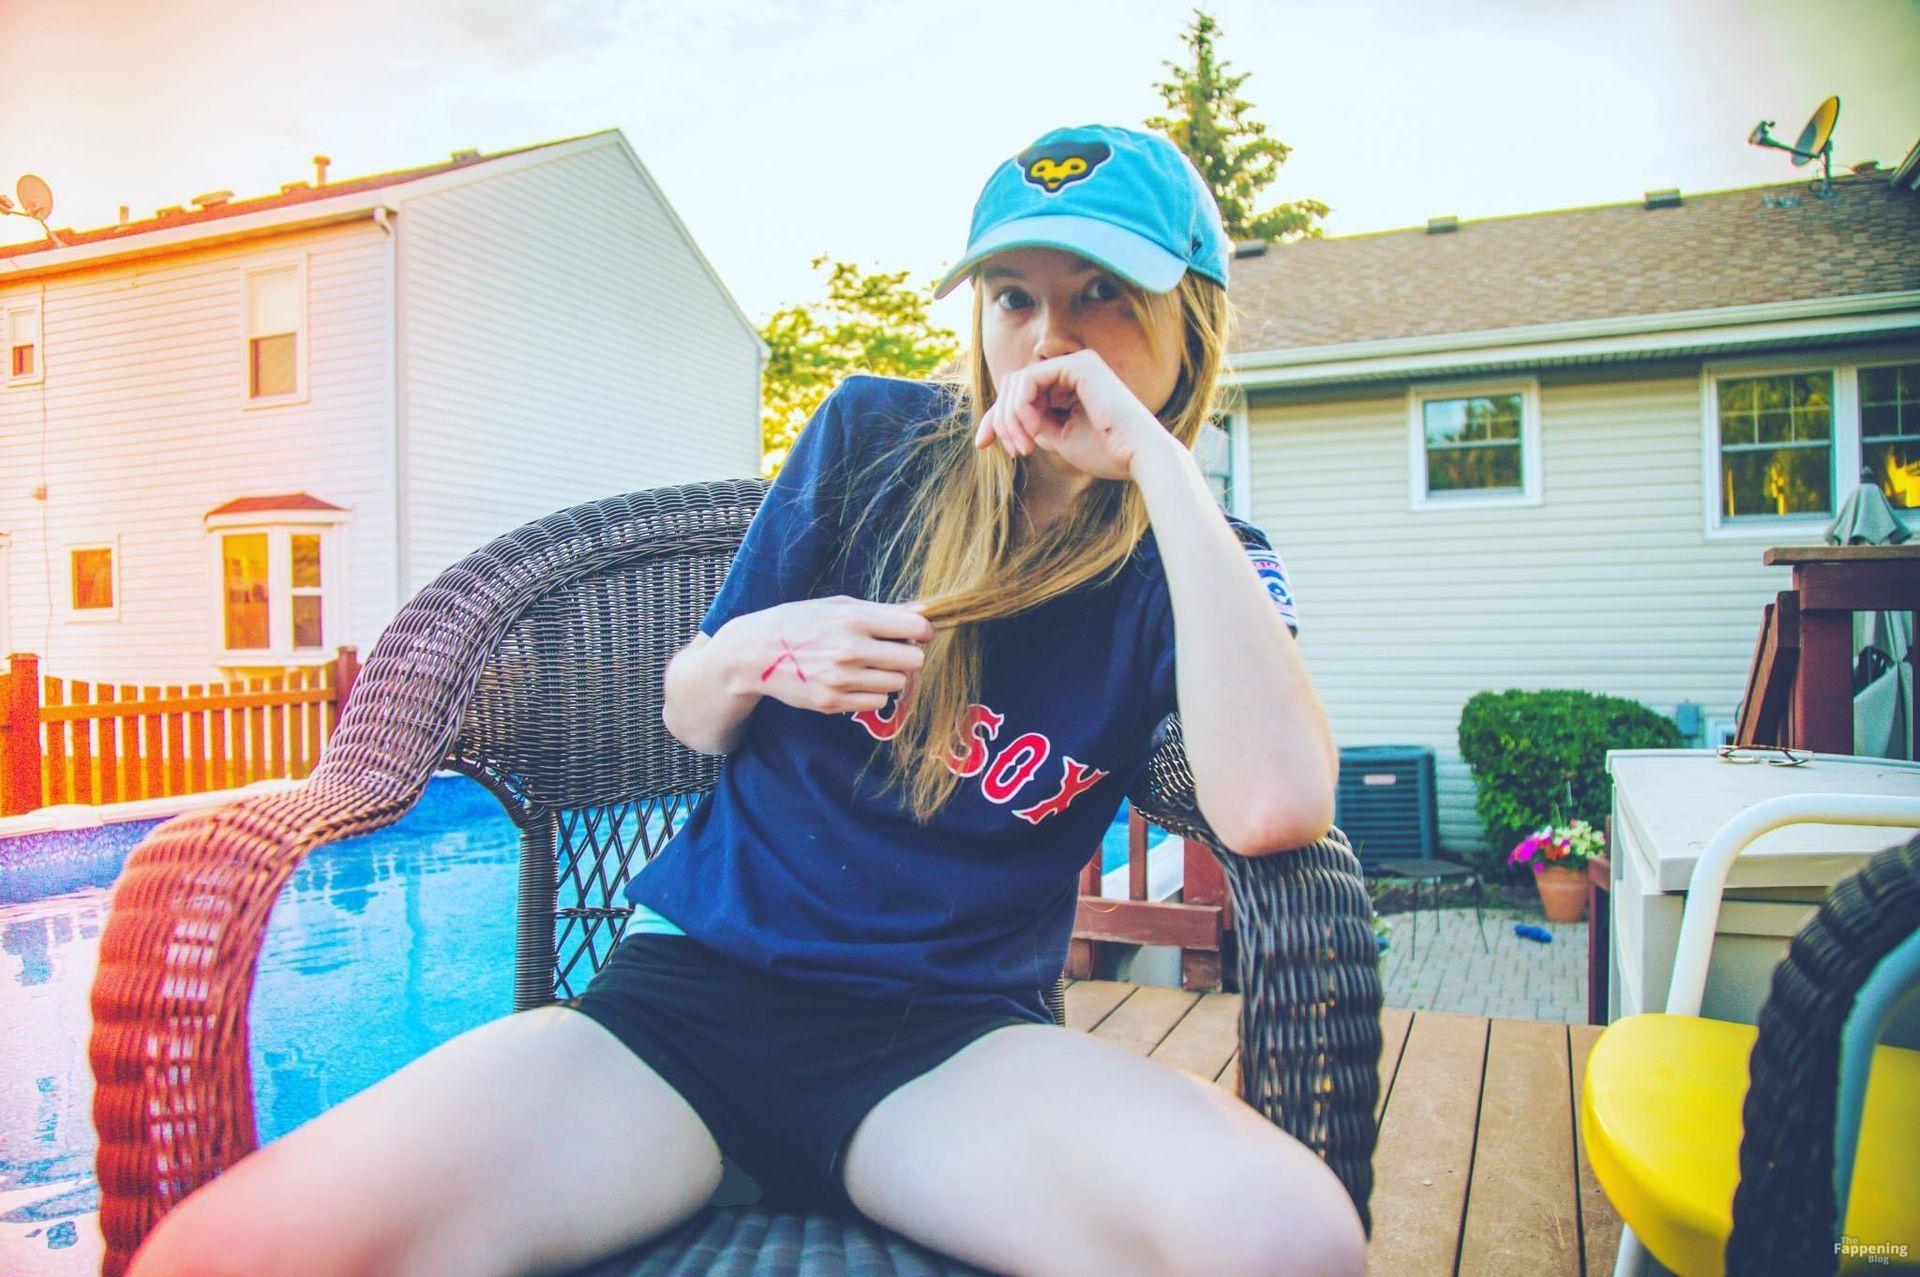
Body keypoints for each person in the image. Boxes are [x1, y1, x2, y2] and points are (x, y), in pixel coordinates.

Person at [128, 123, 1362, 1277]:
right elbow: (690, 709)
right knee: (224, 1250)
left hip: (949, 1055)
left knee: (1288, 1236)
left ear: (1190, 323)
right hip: (688, 1008)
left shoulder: (1202, 559)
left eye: (1104, 295)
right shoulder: (876, 438)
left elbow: (1272, 805)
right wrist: (763, 650)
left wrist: (1156, 464)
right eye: (1014, 297)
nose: (1050, 341)